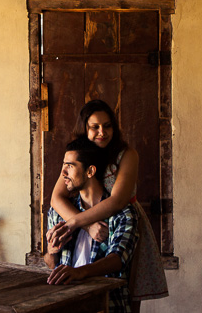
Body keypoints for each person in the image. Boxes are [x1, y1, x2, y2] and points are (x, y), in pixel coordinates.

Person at [49, 99, 169, 309]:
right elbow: (56, 198)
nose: (102, 132)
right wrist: (87, 226)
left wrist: (76, 223)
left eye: (107, 125)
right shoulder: (78, 158)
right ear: (84, 128)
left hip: (119, 219)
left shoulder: (126, 154)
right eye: (94, 127)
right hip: (86, 220)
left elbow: (118, 201)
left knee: (126, 288)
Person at [45, 136, 138, 313]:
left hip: (106, 303)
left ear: (90, 171)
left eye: (70, 166)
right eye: (64, 165)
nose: (63, 172)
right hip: (64, 303)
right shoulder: (59, 212)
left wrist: (79, 272)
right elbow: (50, 263)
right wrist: (51, 251)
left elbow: (117, 260)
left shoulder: (123, 213)